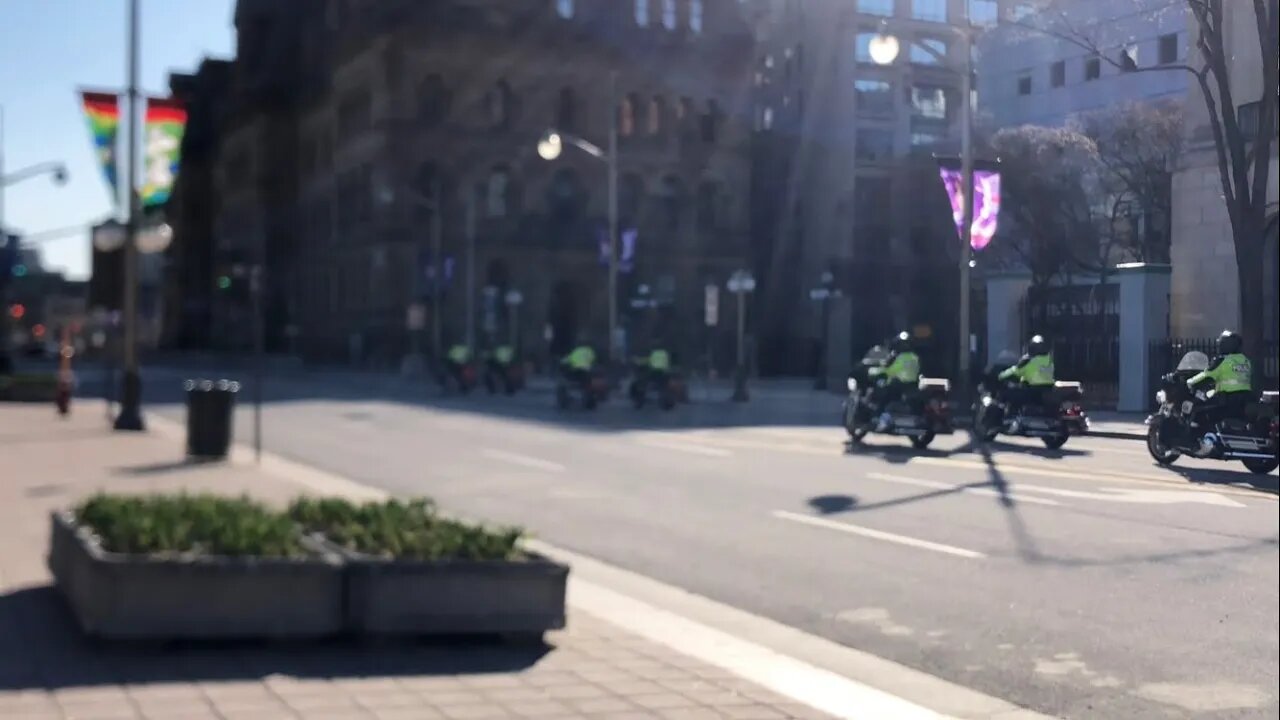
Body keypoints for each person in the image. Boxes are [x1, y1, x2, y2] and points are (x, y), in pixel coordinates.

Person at [1187, 329, 1252, 440]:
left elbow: (1206, 375)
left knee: (1199, 413)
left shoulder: (1223, 360)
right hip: (1243, 401)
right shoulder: (1245, 361)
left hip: (1226, 401)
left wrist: (1190, 382)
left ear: (1226, 345)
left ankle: (1200, 442)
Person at [868, 331, 920, 431]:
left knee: (882, 397)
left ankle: (879, 419)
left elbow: (890, 370)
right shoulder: (915, 357)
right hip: (912, 385)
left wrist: (875, 371)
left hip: (899, 385)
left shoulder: (901, 357)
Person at [998, 334, 1055, 424]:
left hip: (1032, 391)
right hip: (1047, 390)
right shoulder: (1049, 360)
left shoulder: (1028, 360)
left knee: (1008, 393)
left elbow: (1015, 370)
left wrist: (1001, 375)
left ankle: (1009, 417)